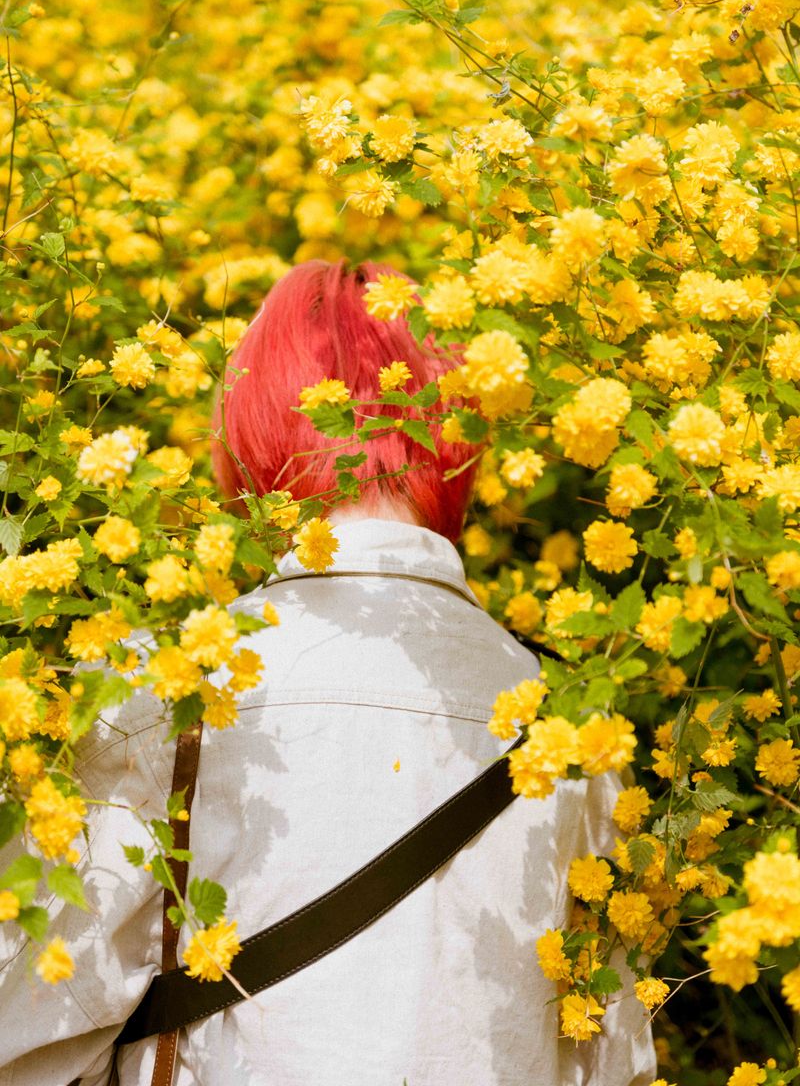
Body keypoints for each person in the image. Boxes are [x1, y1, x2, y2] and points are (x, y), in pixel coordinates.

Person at [0, 260, 656, 1085]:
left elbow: (27, 1036)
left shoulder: (167, 689)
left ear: (251, 430)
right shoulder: (571, 722)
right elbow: (609, 1057)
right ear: (453, 443)